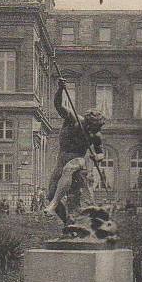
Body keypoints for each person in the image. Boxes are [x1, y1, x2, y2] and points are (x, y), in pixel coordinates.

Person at [43, 77, 106, 225]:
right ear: (87, 122)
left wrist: (98, 157)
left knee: (69, 169)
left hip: (78, 159)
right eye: (91, 128)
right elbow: (58, 105)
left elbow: (100, 152)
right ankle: (68, 223)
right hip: (61, 159)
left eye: (96, 129)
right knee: (50, 193)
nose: (93, 132)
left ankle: (52, 205)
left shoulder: (95, 135)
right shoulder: (73, 120)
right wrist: (60, 89)